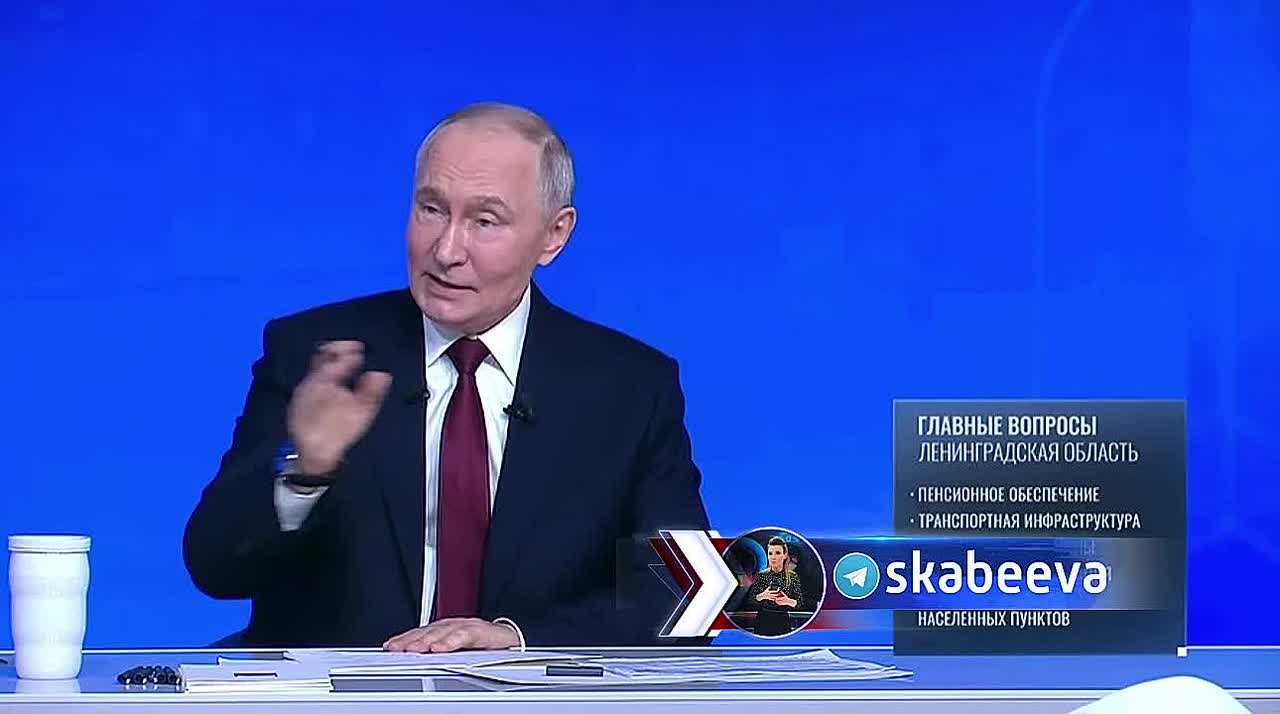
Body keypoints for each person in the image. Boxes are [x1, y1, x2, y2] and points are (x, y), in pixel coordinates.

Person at [183, 102, 710, 651]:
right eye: (431, 209)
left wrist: (518, 640)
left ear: (554, 235)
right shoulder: (322, 357)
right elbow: (214, 567)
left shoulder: (628, 387)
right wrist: (304, 473)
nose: (446, 250)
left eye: (485, 221)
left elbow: (686, 594)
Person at [744, 537, 803, 636]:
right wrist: (762, 596)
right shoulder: (762, 575)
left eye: (777, 553)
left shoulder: (792, 576)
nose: (773, 557)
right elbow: (750, 600)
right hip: (763, 620)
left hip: (782, 621)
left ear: (785, 555)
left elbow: (800, 603)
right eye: (770, 553)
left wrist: (788, 601)